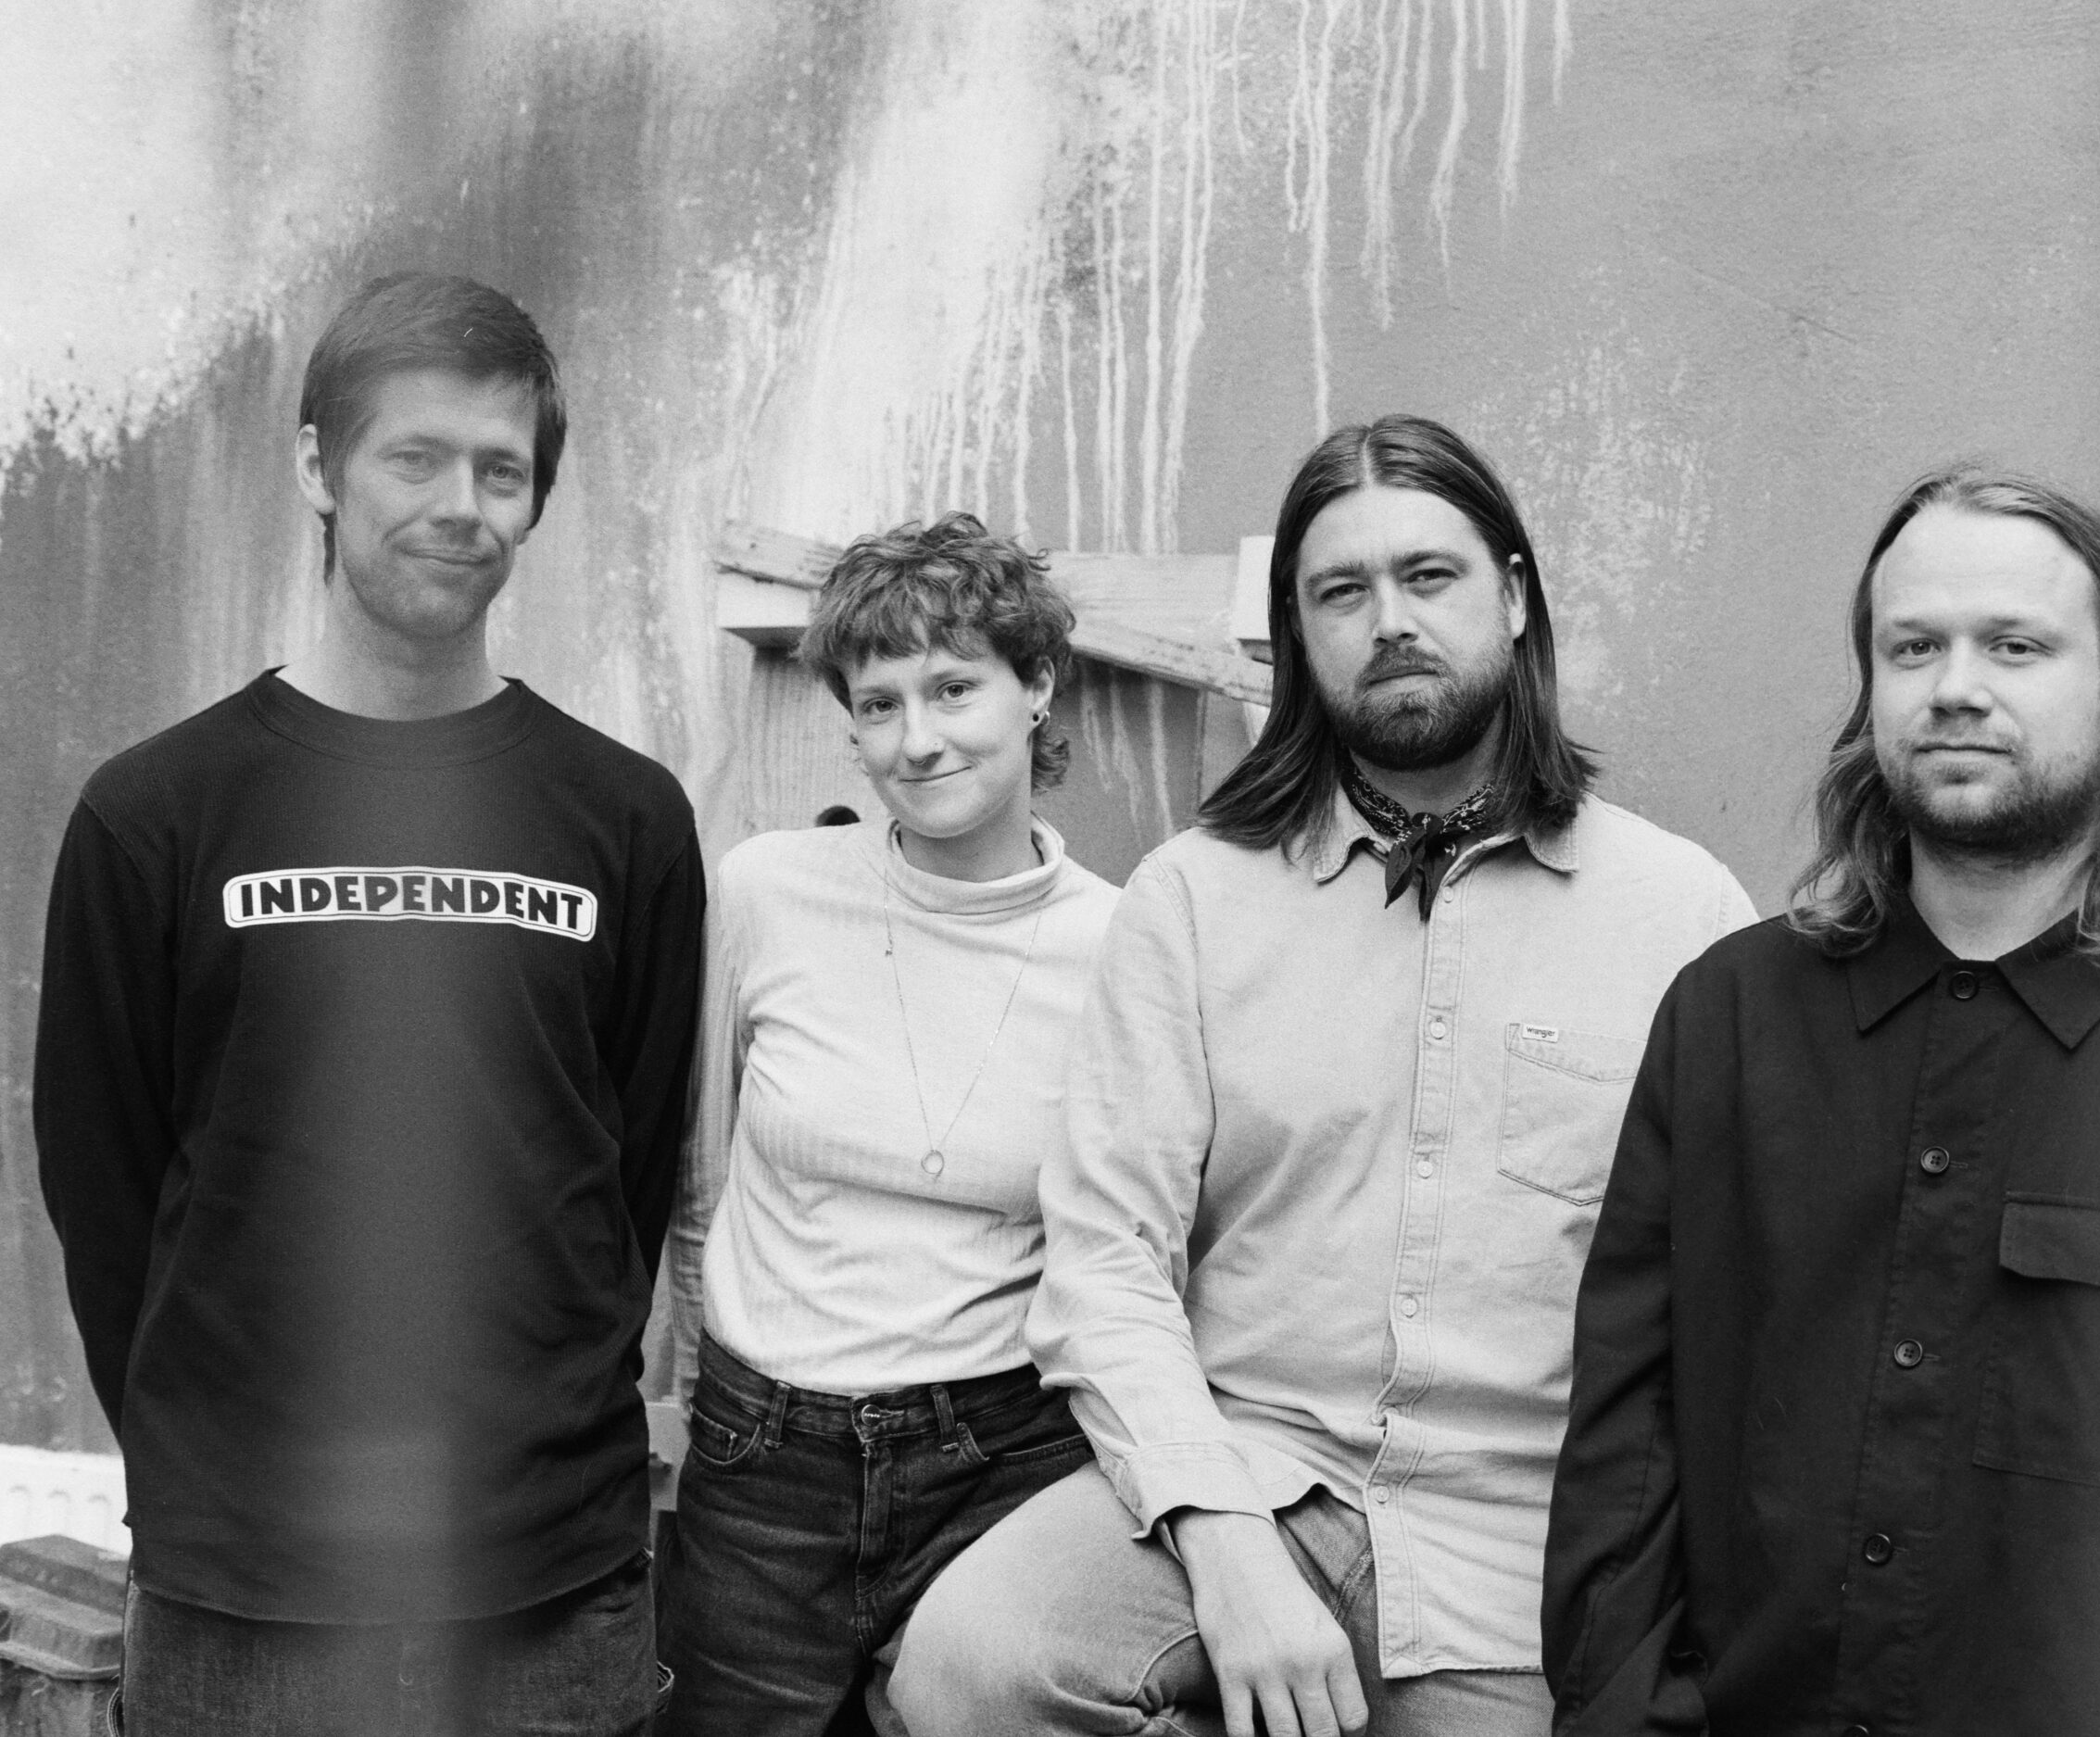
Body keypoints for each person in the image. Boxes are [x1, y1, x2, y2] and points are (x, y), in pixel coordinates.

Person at [891, 415, 1754, 1737]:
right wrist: (1226, 1544)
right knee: (972, 1665)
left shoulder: (1679, 912)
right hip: (1251, 1474)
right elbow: (1105, 1259)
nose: (1389, 620)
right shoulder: (1194, 899)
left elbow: (1739, 1302)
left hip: (1521, 1541)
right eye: (1341, 592)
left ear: (1515, 598)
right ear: (1297, 636)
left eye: (1430, 576)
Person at [1540, 469, 2100, 1734]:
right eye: (1913, 646)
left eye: (2015, 646)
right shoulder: (1730, 1020)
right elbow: (1626, 1450)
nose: (1955, 688)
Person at [33, 273, 704, 1733]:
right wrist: (207, 1472)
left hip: (551, 1586)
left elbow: (630, 1176)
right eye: (414, 457)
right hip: (242, 1592)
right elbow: (103, 1188)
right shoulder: (155, 814)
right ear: (316, 464)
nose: (461, 505)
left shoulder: (626, 818)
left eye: (501, 471)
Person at [658, 512, 1121, 1733]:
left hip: (1003, 1457)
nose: (917, 740)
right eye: (878, 705)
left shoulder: (1124, 944)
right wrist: (711, 1388)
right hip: (762, 1457)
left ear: (1037, 685)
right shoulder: (766, 890)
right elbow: (696, 1173)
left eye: (954, 688)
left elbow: (1139, 1247)